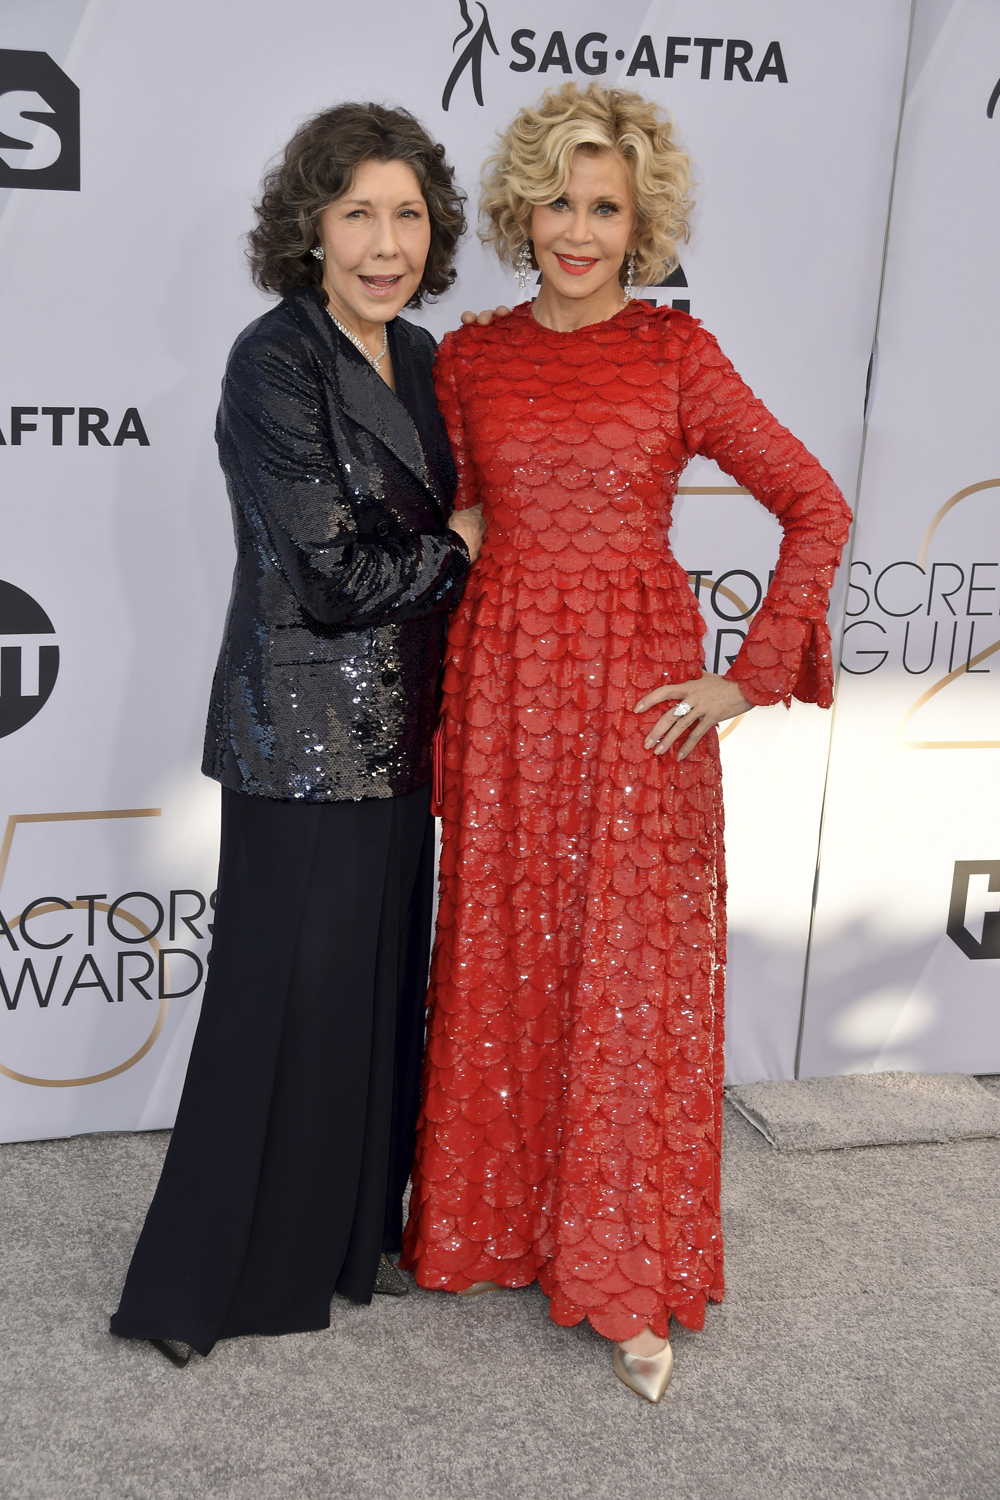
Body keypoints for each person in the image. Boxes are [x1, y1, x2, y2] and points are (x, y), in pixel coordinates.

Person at [401, 82, 853, 1403]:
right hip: (505, 692)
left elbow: (813, 504)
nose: (579, 229)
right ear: (522, 209)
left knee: (622, 977)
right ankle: (490, 1228)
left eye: (606, 206)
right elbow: (468, 520)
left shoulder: (675, 355)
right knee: (506, 956)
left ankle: (621, 1271)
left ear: (643, 219)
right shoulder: (470, 358)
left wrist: (750, 676)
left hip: (633, 703)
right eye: (558, 201)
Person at [110, 102, 484, 1363]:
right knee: (276, 1007)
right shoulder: (272, 359)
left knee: (372, 1001)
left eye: (408, 216)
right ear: (310, 228)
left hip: (410, 738)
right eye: (357, 214)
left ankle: (335, 1247)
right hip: (302, 736)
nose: (385, 243)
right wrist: (459, 549)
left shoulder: (430, 357)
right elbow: (328, 579)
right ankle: (203, 1285)